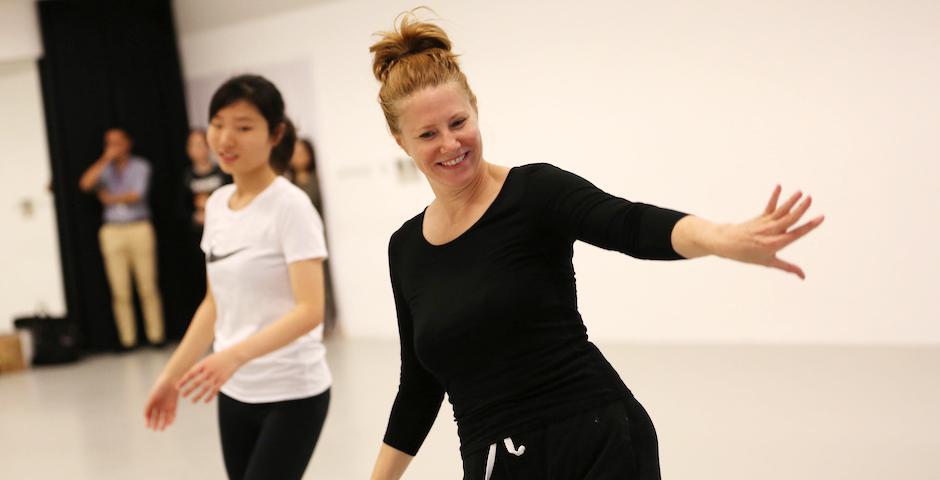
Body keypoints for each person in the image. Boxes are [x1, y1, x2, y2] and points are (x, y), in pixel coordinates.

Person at [368, 14, 825, 480]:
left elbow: (629, 223)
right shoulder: (405, 249)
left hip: (594, 440)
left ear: (476, 109)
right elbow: (419, 386)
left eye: (458, 121)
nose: (451, 143)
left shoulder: (534, 193)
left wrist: (719, 239)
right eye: (428, 134)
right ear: (400, 140)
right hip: (494, 462)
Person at [144, 74, 331, 480]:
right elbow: (214, 304)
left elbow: (310, 310)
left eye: (244, 127)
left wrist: (232, 355)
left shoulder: (291, 207)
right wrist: (170, 377)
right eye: (218, 124)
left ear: (275, 133)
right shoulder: (215, 206)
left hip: (292, 392)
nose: (226, 139)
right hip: (234, 391)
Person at [79, 128, 165, 349]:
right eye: (109, 143)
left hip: (139, 227)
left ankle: (156, 336)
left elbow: (137, 194)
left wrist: (111, 198)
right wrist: (105, 159)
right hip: (113, 231)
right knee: (120, 289)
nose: (114, 146)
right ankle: (128, 340)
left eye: (118, 142)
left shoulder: (140, 166)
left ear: (128, 143)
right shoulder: (105, 169)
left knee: (147, 285)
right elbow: (85, 184)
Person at [286, 136, 337, 332]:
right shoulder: (289, 185)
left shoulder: (317, 181)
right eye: (295, 153)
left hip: (318, 238)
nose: (298, 157)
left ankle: (326, 322)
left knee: (324, 281)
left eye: (302, 153)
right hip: (296, 242)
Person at [183, 128, 230, 229]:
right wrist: (195, 217)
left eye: (200, 144)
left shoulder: (223, 173)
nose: (197, 149)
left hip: (223, 227)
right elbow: (181, 209)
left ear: (208, 146)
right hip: (197, 232)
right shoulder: (186, 177)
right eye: (193, 145)